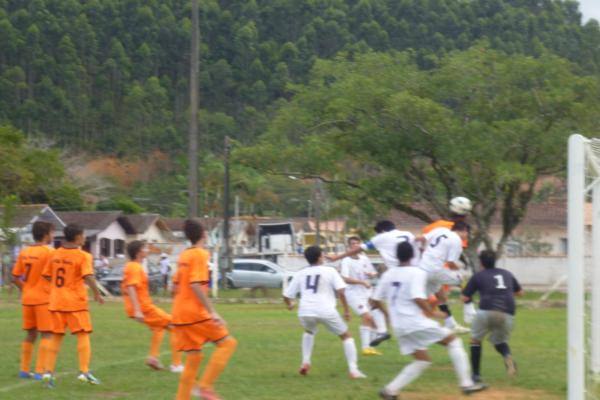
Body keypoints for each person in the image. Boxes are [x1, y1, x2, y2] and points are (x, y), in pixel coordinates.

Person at [372, 242, 488, 399]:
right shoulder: (416, 272)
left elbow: (375, 299)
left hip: (398, 325)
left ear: (397, 256)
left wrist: (387, 315)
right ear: (413, 255)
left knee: (422, 360)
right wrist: (432, 313)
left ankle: (390, 391)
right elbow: (418, 297)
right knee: (454, 341)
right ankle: (467, 384)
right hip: (413, 322)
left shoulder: (389, 274)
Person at [173, 219, 237, 400]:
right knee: (227, 343)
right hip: (194, 313)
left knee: (193, 358)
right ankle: (205, 386)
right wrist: (212, 312)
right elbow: (195, 284)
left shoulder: (184, 255)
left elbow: (175, 285)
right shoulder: (201, 254)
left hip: (179, 313)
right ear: (203, 234)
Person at [327, 220, 420, 346]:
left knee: (380, 300)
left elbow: (359, 249)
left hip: (396, 274)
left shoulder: (381, 238)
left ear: (381, 230)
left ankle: (392, 325)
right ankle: (385, 329)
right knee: (379, 301)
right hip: (415, 272)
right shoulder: (408, 234)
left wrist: (336, 257)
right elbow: (419, 246)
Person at [284, 245, 366, 379]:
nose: (324, 256)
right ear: (319, 257)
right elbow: (342, 292)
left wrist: (290, 304)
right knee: (347, 336)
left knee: (309, 331)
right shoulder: (330, 271)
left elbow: (287, 296)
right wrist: (346, 310)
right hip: (325, 310)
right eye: (323, 254)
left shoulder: (300, 273)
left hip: (305, 311)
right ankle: (354, 370)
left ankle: (305, 362)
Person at [41, 223, 105, 387]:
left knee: (56, 337)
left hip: (56, 301)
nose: (84, 238)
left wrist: (58, 287)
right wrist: (97, 293)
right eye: (83, 235)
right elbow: (88, 275)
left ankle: (48, 372)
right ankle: (84, 372)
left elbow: (47, 275)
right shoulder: (83, 256)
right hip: (75, 302)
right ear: (77, 237)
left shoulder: (54, 254)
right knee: (83, 335)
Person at [462, 250, 523, 383]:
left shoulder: (478, 275)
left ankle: (476, 375)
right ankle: (508, 357)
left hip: (486, 310)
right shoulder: (507, 273)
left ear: (480, 262)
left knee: (475, 341)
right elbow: (520, 293)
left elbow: (464, 297)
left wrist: (464, 287)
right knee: (500, 342)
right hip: (507, 312)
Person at [122, 241, 183, 372]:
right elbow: (131, 287)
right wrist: (138, 310)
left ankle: (153, 358)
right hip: (144, 308)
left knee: (158, 328)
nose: (147, 250)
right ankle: (176, 364)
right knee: (175, 326)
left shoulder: (133, 266)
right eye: (144, 248)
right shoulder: (135, 267)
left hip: (142, 306)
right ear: (139, 252)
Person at [11, 221, 55, 380]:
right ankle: (40, 371)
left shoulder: (24, 251)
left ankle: (24, 370)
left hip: (27, 299)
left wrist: (26, 289)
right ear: (46, 234)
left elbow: (15, 277)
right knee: (47, 334)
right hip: (43, 299)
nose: (53, 236)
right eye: (52, 232)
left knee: (31, 333)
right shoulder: (49, 252)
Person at [417, 221, 470, 333]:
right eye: (467, 234)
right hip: (435, 270)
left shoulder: (440, 230)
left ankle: (450, 324)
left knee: (441, 297)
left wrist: (421, 249)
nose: (466, 237)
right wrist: (459, 269)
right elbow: (451, 264)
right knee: (462, 277)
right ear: (464, 230)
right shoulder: (457, 241)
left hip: (422, 267)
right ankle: (469, 307)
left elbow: (420, 238)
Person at [340, 236, 387, 356]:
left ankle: (371, 347)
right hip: (353, 293)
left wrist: (372, 274)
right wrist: (361, 282)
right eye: (352, 244)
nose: (355, 246)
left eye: (357, 244)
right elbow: (345, 279)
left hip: (367, 292)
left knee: (374, 317)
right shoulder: (346, 260)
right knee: (367, 317)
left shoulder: (364, 258)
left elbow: (373, 272)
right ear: (349, 247)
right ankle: (366, 347)